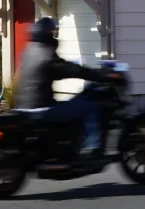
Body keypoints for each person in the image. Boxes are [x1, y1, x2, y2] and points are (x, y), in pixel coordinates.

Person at [15, 17, 119, 163]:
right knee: (89, 107)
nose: (54, 35)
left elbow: (53, 72)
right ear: (46, 35)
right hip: (42, 109)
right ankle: (91, 148)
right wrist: (99, 75)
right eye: (52, 33)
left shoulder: (28, 52)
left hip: (23, 108)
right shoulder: (46, 55)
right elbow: (71, 70)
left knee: (73, 105)